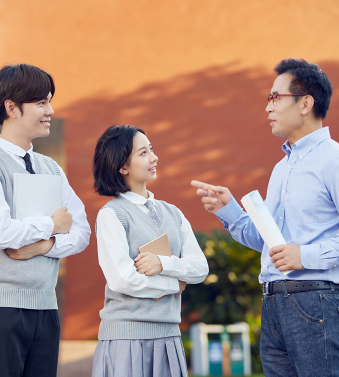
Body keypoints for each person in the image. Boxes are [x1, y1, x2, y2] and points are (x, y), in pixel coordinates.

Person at [191, 58, 339, 377]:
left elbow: (296, 254)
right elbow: (267, 240)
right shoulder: (280, 168)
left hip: (317, 301)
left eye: (275, 97)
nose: (268, 107)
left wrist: (306, 255)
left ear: (305, 103)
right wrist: (228, 209)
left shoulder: (333, 160)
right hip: (273, 305)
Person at [92, 125, 209, 377]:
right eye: (143, 152)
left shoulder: (174, 213)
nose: (154, 157)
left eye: (151, 149)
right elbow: (122, 279)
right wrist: (172, 285)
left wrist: (163, 264)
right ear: (123, 167)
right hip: (126, 338)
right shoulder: (112, 215)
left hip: (169, 336)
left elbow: (200, 268)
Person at [0, 64, 91, 377]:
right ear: (11, 107)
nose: (50, 110)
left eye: (49, 101)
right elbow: (3, 233)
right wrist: (52, 225)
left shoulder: (50, 167)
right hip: (4, 308)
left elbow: (81, 231)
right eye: (41, 103)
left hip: (46, 308)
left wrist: (40, 247)